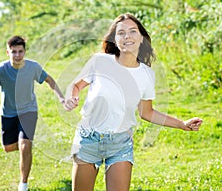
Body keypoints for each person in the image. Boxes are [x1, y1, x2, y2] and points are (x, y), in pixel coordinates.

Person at [64, 13, 203, 191]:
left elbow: (147, 112)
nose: (127, 36)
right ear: (115, 39)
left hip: (120, 143)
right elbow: (75, 85)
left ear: (141, 38)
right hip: (88, 138)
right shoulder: (100, 61)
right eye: (121, 33)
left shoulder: (146, 74)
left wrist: (182, 124)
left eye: (132, 31)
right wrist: (71, 97)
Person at [0, 35, 66, 191]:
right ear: (8, 53)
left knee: (24, 145)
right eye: (14, 52)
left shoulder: (33, 67)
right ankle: (24, 148)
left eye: (20, 51)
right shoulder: (2, 69)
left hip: (28, 111)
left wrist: (61, 98)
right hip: (8, 113)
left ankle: (24, 183)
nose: (17, 55)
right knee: (9, 147)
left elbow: (49, 80)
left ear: (25, 52)